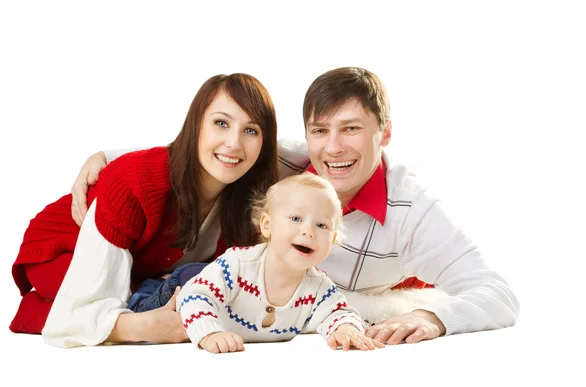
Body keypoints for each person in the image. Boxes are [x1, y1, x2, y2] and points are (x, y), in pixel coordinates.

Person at [67, 67, 521, 345]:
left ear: (383, 133)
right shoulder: (291, 163)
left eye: (351, 129)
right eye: (320, 130)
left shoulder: (412, 210)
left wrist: (432, 316)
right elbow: (211, 147)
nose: (333, 148)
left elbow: (497, 292)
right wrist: (106, 157)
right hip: (177, 273)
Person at [8, 73, 280, 348]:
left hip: (139, 268)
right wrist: (137, 327)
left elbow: (313, 152)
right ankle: (35, 312)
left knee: (189, 288)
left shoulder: (256, 193)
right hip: (62, 248)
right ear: (196, 125)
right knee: (127, 298)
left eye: (251, 130)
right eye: (221, 123)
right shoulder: (136, 179)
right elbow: (91, 300)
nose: (234, 143)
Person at [177, 174, 384, 353]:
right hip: (179, 285)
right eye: (295, 218)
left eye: (321, 225)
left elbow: (339, 312)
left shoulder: (318, 287)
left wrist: (345, 329)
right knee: (151, 302)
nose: (308, 231)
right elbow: (195, 295)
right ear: (267, 225)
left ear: (332, 240)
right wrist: (209, 333)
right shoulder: (236, 265)